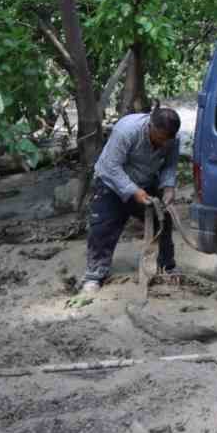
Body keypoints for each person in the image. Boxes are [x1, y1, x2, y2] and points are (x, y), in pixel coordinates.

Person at [82, 106, 181, 293]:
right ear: (150, 126)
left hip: (144, 182)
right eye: (159, 139)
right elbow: (111, 166)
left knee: (164, 221)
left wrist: (168, 187)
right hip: (111, 182)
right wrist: (133, 191)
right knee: (102, 229)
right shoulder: (126, 130)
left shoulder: (171, 140)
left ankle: (167, 267)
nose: (162, 145)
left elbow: (170, 165)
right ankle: (94, 275)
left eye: (166, 141)